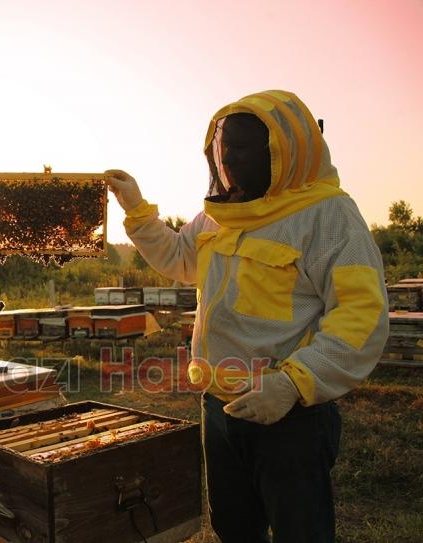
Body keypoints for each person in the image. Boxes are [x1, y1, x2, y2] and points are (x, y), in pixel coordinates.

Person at [106, 90, 389, 543]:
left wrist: (293, 383)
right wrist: (137, 212)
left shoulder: (327, 216)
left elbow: (362, 313)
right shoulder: (218, 217)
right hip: (218, 406)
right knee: (234, 527)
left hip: (288, 415)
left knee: (302, 531)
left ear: (282, 152)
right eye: (223, 148)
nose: (228, 160)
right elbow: (180, 259)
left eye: (241, 147)